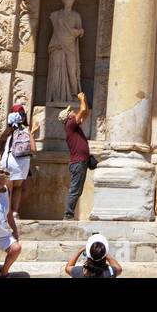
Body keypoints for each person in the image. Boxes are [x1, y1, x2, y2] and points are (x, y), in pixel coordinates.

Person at [0, 103, 37, 222]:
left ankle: (5, 212)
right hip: (21, 163)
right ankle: (14, 212)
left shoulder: (7, 133)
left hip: (8, 162)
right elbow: (33, 149)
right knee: (18, 187)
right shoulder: (25, 130)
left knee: (8, 189)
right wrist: (30, 133)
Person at [62, 90, 92, 221]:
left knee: (77, 190)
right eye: (71, 111)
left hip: (81, 162)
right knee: (75, 189)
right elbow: (83, 109)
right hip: (78, 163)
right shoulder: (70, 125)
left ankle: (69, 213)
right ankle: (68, 215)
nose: (73, 111)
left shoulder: (74, 126)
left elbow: (86, 112)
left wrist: (84, 100)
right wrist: (81, 99)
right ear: (68, 117)